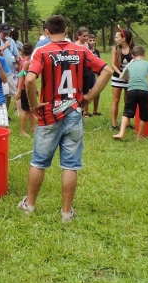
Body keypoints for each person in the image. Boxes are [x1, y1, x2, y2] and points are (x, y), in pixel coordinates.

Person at [19, 15, 112, 222]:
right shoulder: (81, 51)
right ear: (67, 30)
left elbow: (30, 79)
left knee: (38, 162)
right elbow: (107, 70)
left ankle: (29, 205)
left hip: (49, 115)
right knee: (70, 165)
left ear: (46, 31)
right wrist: (89, 97)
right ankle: (66, 212)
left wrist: (33, 105)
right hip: (74, 113)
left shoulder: (41, 52)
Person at [113, 46, 148, 140]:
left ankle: (121, 133)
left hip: (131, 91)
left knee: (127, 112)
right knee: (144, 114)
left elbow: (125, 77)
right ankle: (139, 136)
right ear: (144, 54)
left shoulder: (130, 65)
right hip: (144, 91)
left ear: (132, 55)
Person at [110, 28, 133, 130]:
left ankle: (127, 123)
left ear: (123, 38)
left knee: (128, 101)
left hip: (130, 79)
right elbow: (113, 64)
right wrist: (121, 75)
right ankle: (114, 124)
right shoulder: (115, 48)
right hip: (117, 78)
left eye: (117, 37)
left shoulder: (133, 49)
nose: (115, 39)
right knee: (116, 101)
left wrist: (129, 76)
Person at [0, 23, 19, 110]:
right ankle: (0, 112)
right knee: (2, 94)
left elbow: (16, 54)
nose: (6, 34)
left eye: (8, 32)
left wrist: (19, 60)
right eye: (4, 33)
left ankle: (5, 113)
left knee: (9, 94)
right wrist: (5, 46)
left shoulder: (11, 41)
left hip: (9, 71)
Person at [15, 43, 35, 137]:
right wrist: (19, 91)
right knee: (26, 110)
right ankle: (22, 131)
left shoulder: (24, 61)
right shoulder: (26, 62)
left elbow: (21, 74)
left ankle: (33, 127)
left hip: (28, 88)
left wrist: (34, 88)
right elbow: (21, 77)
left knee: (30, 110)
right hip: (24, 89)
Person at [87, 34, 102, 116]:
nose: (92, 42)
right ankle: (85, 112)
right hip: (86, 75)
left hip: (93, 75)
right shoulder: (85, 50)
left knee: (97, 92)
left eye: (93, 40)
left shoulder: (96, 51)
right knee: (86, 93)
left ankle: (95, 111)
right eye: (90, 40)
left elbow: (99, 63)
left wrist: (99, 73)